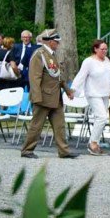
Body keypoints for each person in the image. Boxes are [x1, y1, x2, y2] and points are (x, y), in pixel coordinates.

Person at [20, 31, 75, 159]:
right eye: (56, 41)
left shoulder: (51, 55)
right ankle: (27, 150)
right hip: (43, 98)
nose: (58, 43)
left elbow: (58, 76)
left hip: (55, 98)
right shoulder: (39, 55)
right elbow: (34, 78)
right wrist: (36, 97)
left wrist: (68, 90)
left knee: (60, 126)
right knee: (37, 126)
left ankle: (64, 151)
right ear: (50, 41)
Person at [71, 39, 110, 156]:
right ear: (95, 49)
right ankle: (92, 143)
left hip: (105, 93)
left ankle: (95, 142)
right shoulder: (89, 62)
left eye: (106, 49)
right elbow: (80, 76)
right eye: (102, 49)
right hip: (93, 93)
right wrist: (73, 90)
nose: (105, 51)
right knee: (102, 117)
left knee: (102, 118)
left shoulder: (107, 61)